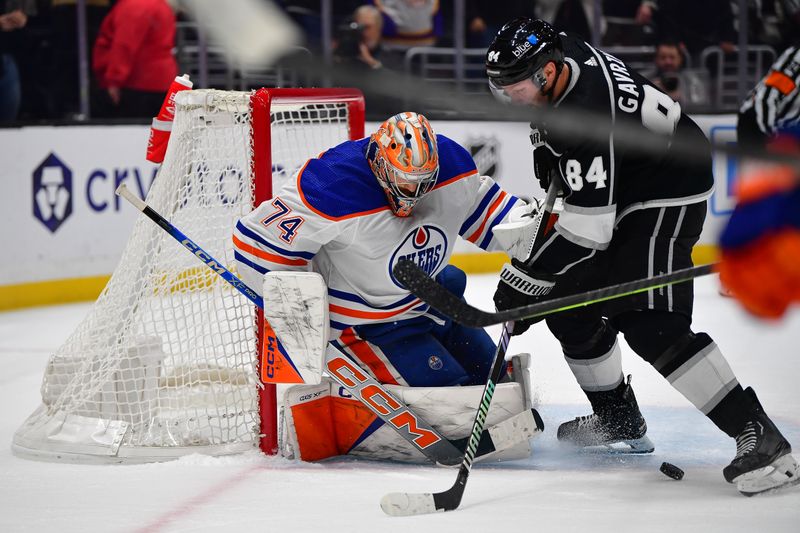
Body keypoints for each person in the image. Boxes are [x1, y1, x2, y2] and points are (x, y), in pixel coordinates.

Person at [484, 17, 798, 495]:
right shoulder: (559, 54)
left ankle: (760, 438)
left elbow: (588, 231)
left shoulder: (586, 112)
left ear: (548, 73)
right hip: (630, 175)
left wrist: (527, 276)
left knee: (652, 323)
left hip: (669, 186)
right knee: (567, 304)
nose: (509, 97)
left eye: (516, 86)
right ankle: (618, 420)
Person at [233, 112, 535, 462]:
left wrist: (529, 239)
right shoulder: (331, 184)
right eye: (406, 182)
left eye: (425, 183)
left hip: (434, 302)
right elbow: (255, 242)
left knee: (497, 386)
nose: (415, 194)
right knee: (456, 405)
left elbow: (488, 213)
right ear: (379, 162)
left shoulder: (454, 165)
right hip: (367, 327)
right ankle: (347, 408)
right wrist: (296, 319)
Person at [719, 45, 800, 319]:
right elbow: (768, 95)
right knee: (760, 203)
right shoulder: (797, 56)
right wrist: (769, 144)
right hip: (763, 130)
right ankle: (739, 269)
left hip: (783, 135)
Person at [92, 0, 177, 118]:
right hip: (161, 81)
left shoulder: (134, 6)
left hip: (138, 84)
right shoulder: (160, 4)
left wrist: (114, 80)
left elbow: (124, 46)